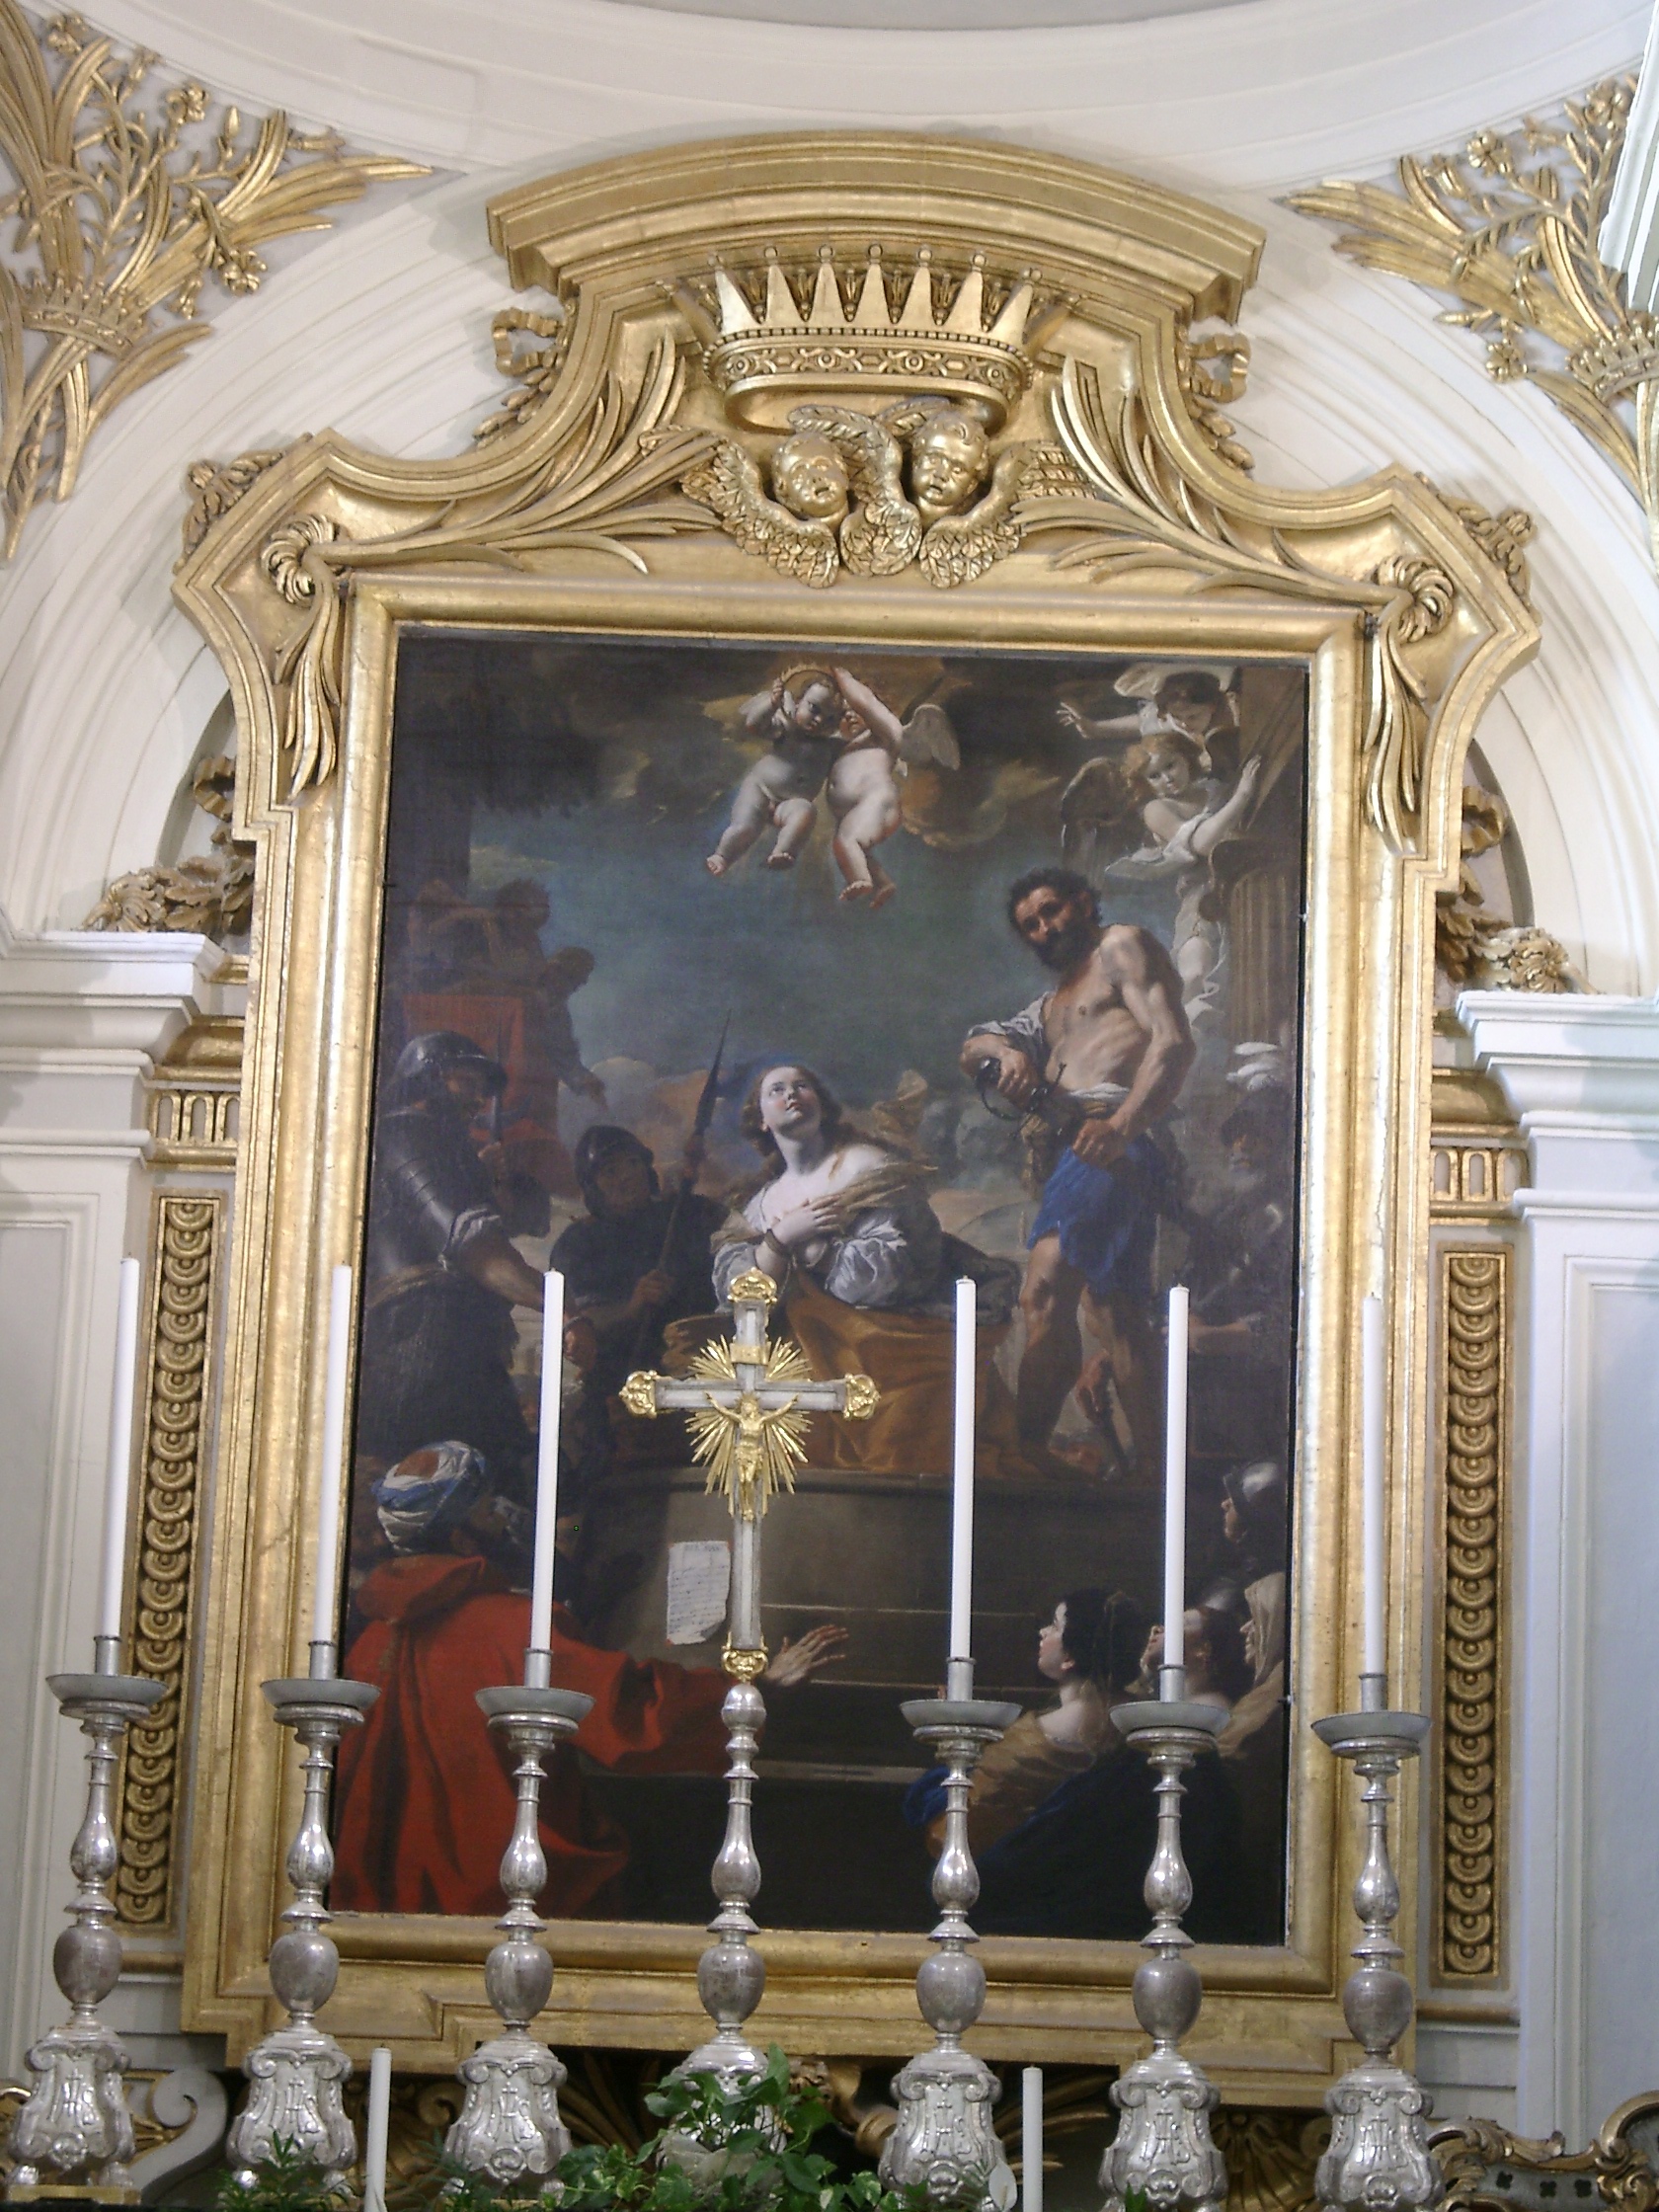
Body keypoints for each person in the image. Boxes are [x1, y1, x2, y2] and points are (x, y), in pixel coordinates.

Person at [333, 1446, 846, 1916]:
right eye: (489, 1510)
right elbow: (631, 1713)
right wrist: (752, 1690)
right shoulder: (516, 1630)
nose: (506, 1519)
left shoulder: (373, 1641)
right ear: (461, 1535)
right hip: (505, 1892)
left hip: (388, 1899)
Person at [961, 868, 1195, 1473]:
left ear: (1084, 903)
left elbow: (1172, 1043)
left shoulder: (1119, 946)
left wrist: (1121, 1128)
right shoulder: (1050, 1007)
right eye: (1030, 925)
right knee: (1118, 1316)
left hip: (1112, 1141)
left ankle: (1025, 1455)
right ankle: (1156, 1478)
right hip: (1080, 1151)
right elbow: (972, 1048)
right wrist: (1007, 1053)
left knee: (1043, 1290)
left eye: (1051, 911)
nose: (1044, 929)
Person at [707, 1062, 1026, 1478]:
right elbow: (742, 1293)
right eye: (777, 1090)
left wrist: (815, 1253)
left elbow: (901, 1267)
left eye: (802, 1086)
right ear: (761, 1120)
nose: (792, 1095)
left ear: (821, 1104)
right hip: (803, 1339)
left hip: (885, 1334)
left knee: (893, 1410)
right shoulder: (758, 1204)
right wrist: (781, 1238)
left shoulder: (869, 1169)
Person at [356, 1031, 550, 1492]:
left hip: (452, 1340)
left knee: (503, 1481)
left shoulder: (442, 1144)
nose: (479, 1100)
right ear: (429, 1079)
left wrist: (488, 1182)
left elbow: (521, 1220)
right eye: (467, 1083)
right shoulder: (409, 1133)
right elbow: (471, 1245)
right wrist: (559, 1307)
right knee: (474, 1481)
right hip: (422, 1338)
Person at [910, 1588, 1147, 1856]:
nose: (1043, 1632)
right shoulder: (1134, 1713)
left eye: (1055, 1626)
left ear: (1070, 1657)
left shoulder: (1044, 1734)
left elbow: (964, 1824)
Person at [552, 1125, 728, 1403]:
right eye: (611, 1171)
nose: (627, 1176)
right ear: (593, 1185)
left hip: (705, 1371)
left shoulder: (687, 1213)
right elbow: (583, 1318)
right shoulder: (579, 1243)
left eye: (633, 1163)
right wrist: (634, 1305)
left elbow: (738, 1234)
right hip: (624, 1382)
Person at [1104, 741, 1261, 1028]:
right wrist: (1243, 794)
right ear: (1144, 783)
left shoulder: (1214, 790)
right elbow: (1202, 843)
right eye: (1154, 775)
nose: (1167, 778)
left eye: (1171, 765)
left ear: (1186, 759)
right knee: (1196, 970)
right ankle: (1184, 1037)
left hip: (1244, 883)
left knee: (1249, 965)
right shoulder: (1157, 809)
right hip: (1201, 895)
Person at [707, 670, 847, 877]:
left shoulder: (832, 747)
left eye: (830, 719)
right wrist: (772, 704)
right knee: (745, 827)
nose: (819, 720)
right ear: (798, 702)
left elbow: (856, 755)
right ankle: (722, 856)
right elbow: (754, 725)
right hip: (761, 790)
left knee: (806, 811)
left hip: (788, 804)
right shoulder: (787, 728)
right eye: (814, 709)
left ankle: (783, 851)